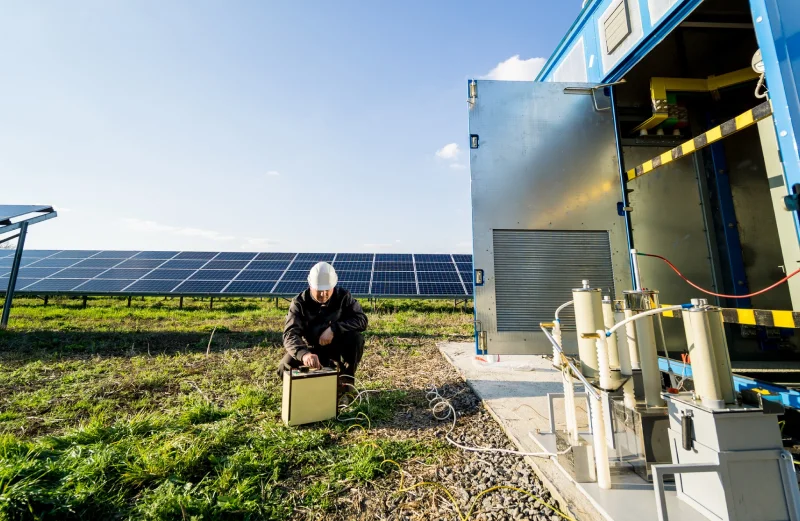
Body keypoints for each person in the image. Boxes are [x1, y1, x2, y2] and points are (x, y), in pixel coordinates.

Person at [277, 262, 368, 393]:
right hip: (311, 349)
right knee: (284, 367)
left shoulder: (343, 297)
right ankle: (308, 391)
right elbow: (290, 334)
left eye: (327, 290)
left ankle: (346, 384)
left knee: (356, 339)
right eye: (319, 290)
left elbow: (361, 320)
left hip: (336, 346)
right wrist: (304, 355)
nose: (323, 294)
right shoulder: (299, 303)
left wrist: (334, 329)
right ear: (310, 285)